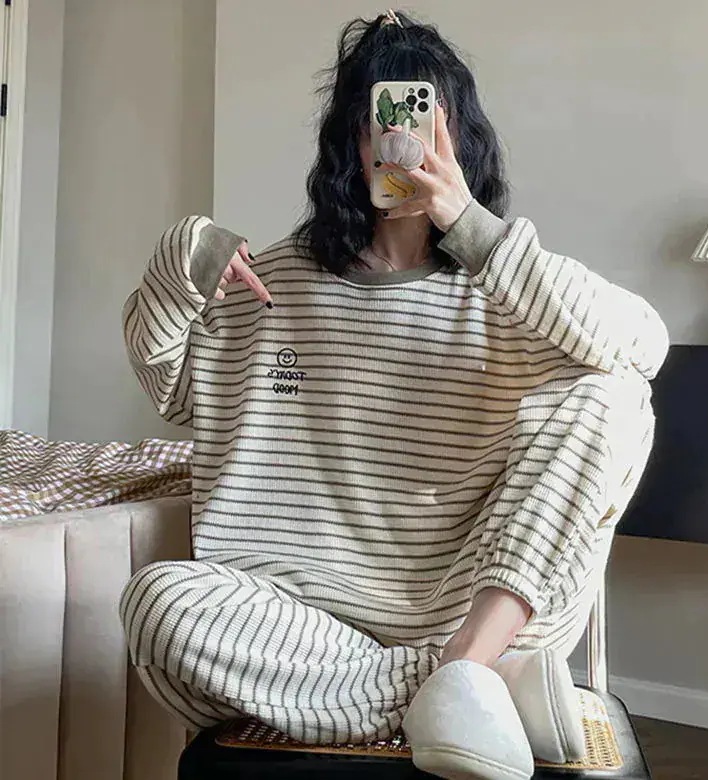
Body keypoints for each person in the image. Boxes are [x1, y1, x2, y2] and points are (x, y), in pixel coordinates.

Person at [119, 10, 668, 780]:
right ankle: (469, 687)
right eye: (382, 121)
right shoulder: (274, 285)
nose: (403, 143)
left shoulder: (510, 285)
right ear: (352, 140)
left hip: (478, 605)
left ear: (459, 135)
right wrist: (182, 257)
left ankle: (468, 662)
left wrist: (472, 227)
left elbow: (644, 348)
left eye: (423, 120)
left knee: (612, 397)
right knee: (158, 607)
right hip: (303, 624)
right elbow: (169, 381)